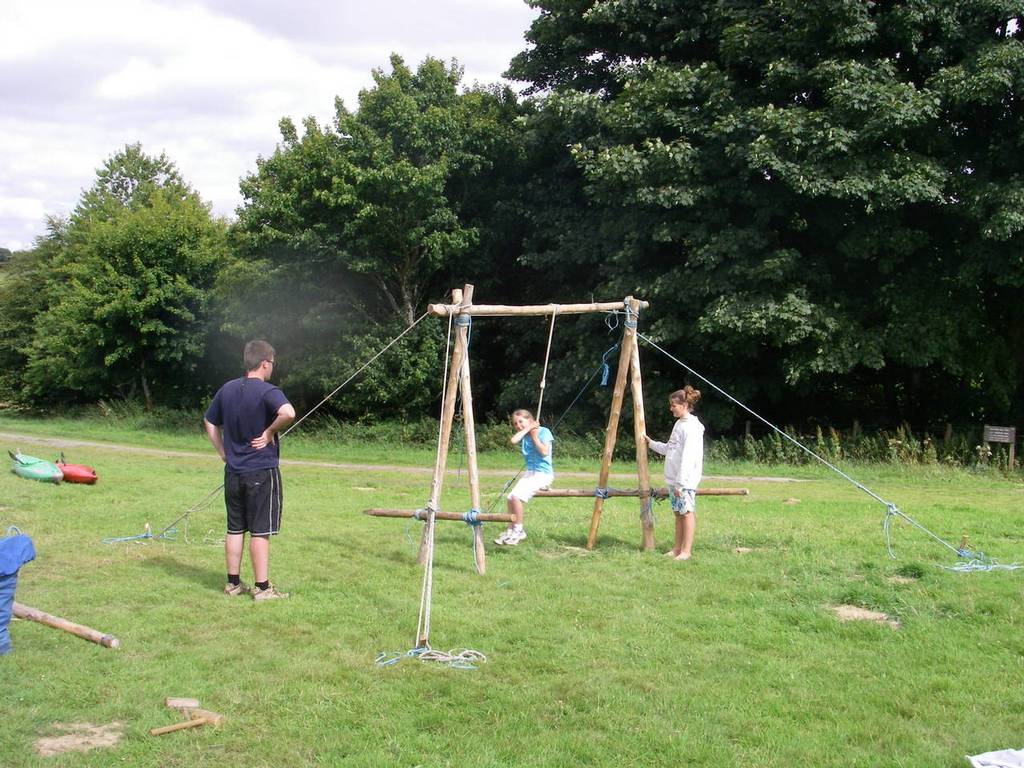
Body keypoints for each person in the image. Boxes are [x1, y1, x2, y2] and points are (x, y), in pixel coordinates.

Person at [204, 340, 295, 600]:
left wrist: (222, 452)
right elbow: (288, 412)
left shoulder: (227, 389)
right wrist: (268, 433)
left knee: (235, 528)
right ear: (265, 363)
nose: (272, 368)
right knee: (260, 530)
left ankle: (232, 584)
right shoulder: (268, 391)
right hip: (261, 472)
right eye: (272, 364)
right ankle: (263, 588)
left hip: (233, 472)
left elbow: (209, 421)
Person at [645, 386, 704, 561]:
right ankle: (676, 549)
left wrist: (680, 483)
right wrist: (651, 443)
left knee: (686, 513)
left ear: (684, 404)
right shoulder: (679, 424)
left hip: (684, 482)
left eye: (674, 405)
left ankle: (686, 551)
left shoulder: (692, 427)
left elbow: (688, 457)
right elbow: (670, 448)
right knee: (678, 513)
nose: (671, 408)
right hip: (674, 480)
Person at [494, 409, 554, 547]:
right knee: (510, 497)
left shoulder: (544, 432)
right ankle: (510, 530)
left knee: (516, 497)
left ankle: (519, 530)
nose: (518, 425)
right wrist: (528, 428)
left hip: (543, 474)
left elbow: (544, 452)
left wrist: (534, 436)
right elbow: (513, 440)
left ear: (531, 419)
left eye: (521, 421)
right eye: (515, 424)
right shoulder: (524, 434)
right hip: (530, 473)